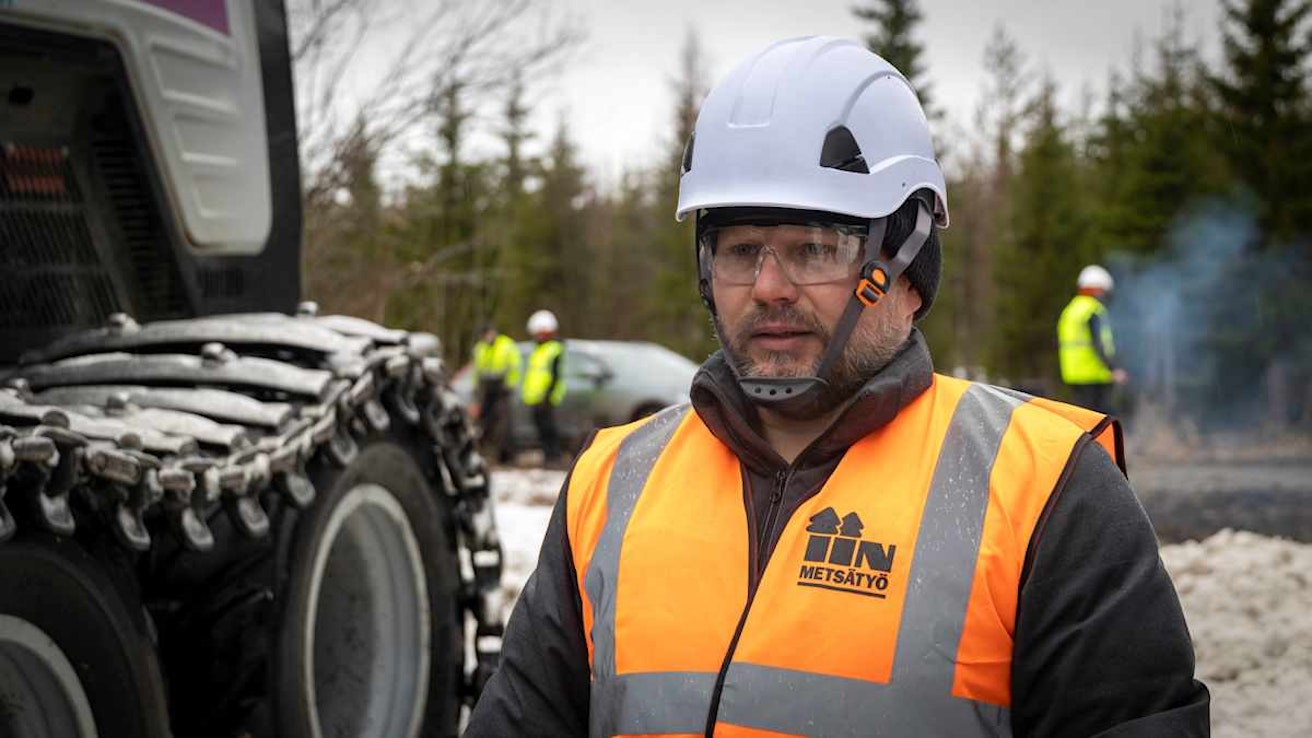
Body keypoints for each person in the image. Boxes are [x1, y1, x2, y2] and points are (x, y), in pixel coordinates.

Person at [467, 37, 1208, 737]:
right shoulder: (612, 480)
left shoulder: (1048, 489)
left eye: (814, 249)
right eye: (740, 249)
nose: (768, 287)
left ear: (909, 267)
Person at [1058, 265, 1128, 414]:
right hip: (1094, 374)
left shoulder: (1071, 309)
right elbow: (1098, 342)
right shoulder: (1092, 309)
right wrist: (1113, 369)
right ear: (1097, 289)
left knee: (1083, 420)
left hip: (1073, 373)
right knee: (1100, 420)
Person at [471, 322, 522, 463]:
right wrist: (477, 389)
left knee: (504, 423)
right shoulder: (480, 348)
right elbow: (476, 371)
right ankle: (485, 452)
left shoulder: (506, 346)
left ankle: (506, 454)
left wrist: (509, 386)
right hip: (487, 390)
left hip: (502, 389)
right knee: (485, 422)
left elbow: (514, 367)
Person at [522, 309, 567, 467]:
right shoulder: (539, 350)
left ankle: (554, 457)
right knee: (542, 429)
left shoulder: (554, 349)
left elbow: (555, 376)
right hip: (536, 398)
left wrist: (547, 396)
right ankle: (548, 457)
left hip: (547, 398)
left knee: (549, 430)